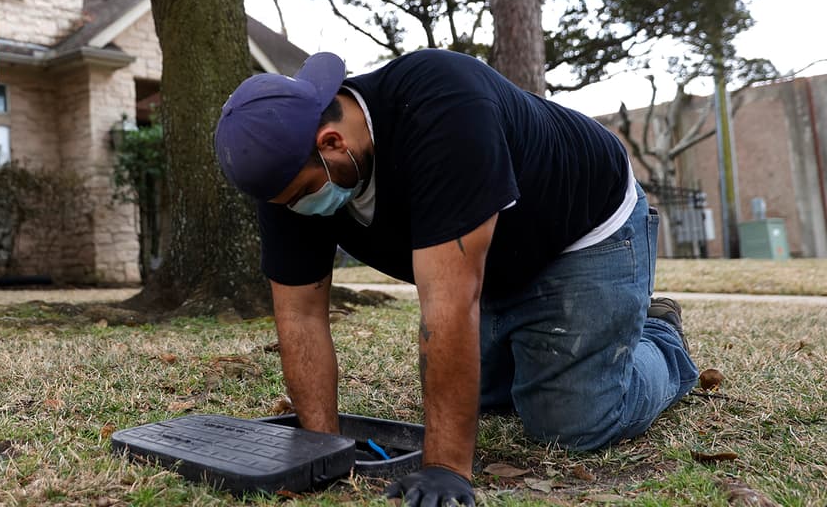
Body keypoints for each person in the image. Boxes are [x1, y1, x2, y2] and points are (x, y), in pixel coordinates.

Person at [213, 49, 699, 506]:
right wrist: (321, 450)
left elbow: (448, 304)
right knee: (484, 399)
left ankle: (660, 335)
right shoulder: (284, 177)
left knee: (570, 422)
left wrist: (446, 466)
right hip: (495, 258)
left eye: (302, 195)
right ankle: (545, 342)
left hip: (584, 229)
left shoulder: (443, 109)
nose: (299, 209)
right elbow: (299, 314)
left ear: (332, 142)